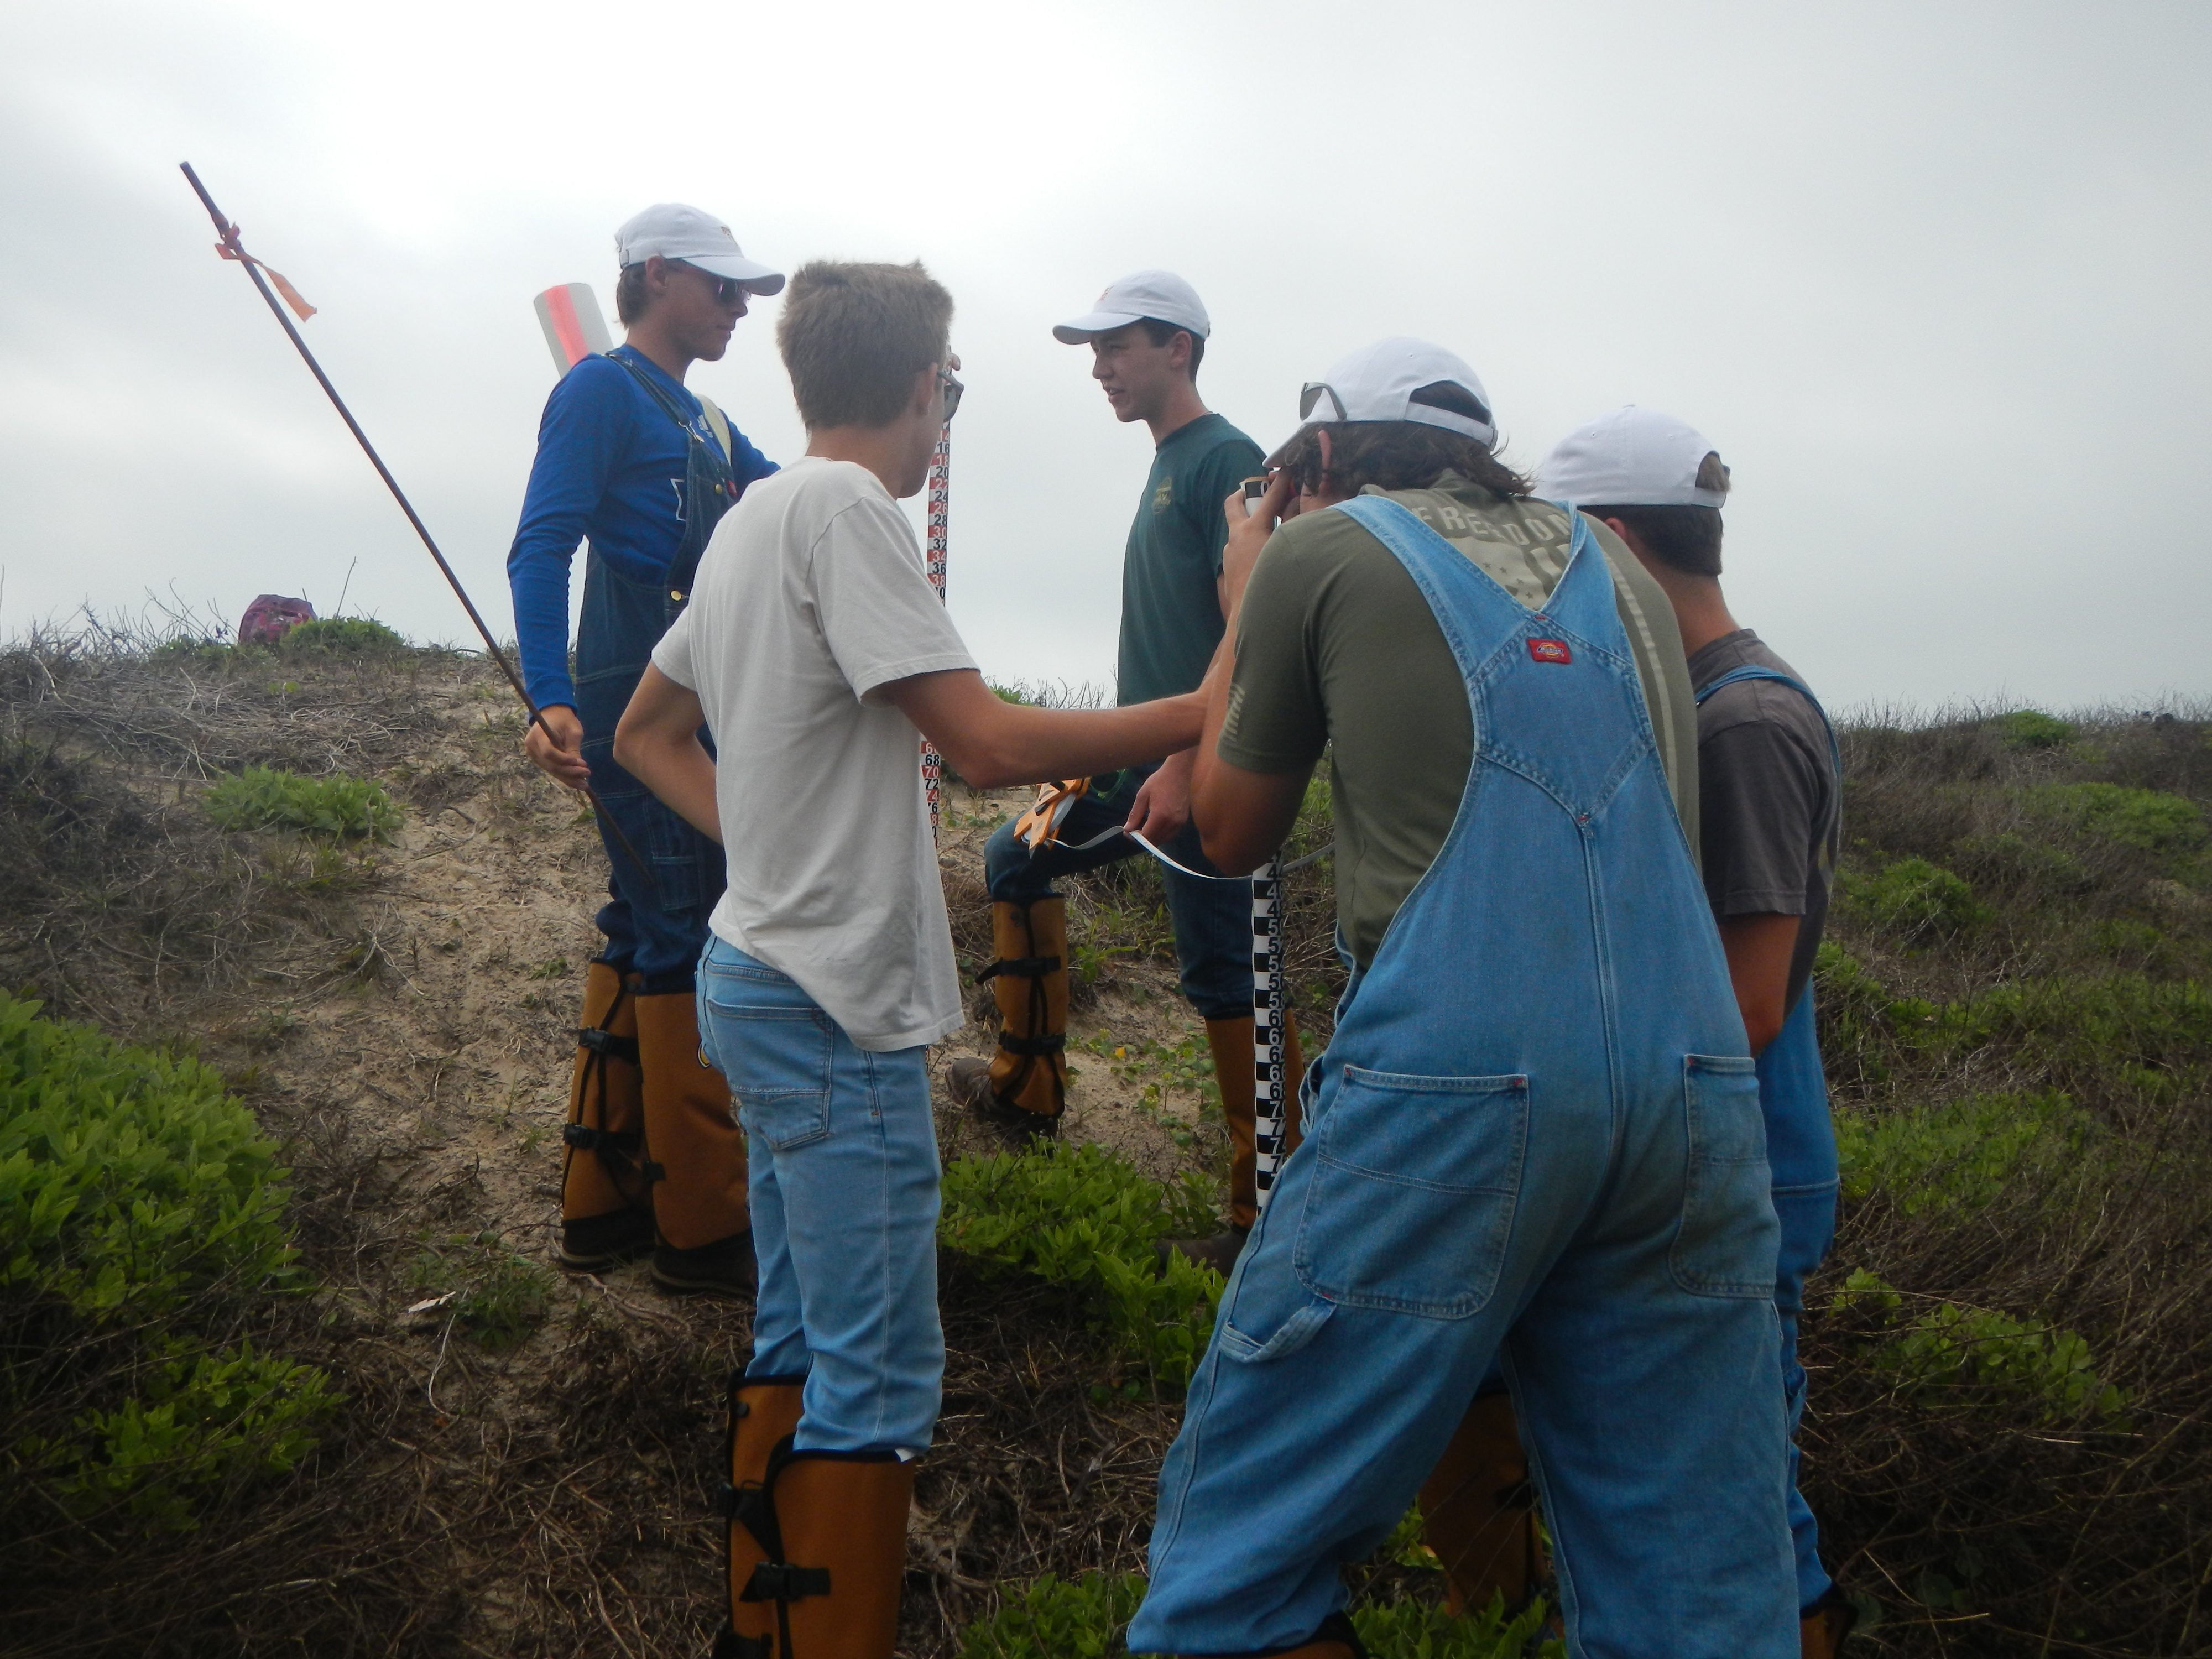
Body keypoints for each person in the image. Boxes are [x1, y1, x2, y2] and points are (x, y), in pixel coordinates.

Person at [1128, 340, 1796, 1659]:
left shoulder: (1318, 553)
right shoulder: (1622, 577)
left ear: (1315, 460)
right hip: (1690, 1097)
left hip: (1458, 1087)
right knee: (1695, 1597)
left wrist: (1245, 588)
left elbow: (1228, 829)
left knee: (1234, 1573)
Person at [610, 260, 1207, 1659]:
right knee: (875, 1377)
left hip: (754, 969)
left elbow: (646, 730)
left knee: (797, 1332)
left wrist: (758, 841)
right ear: (925, 383)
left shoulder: (759, 514)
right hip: (828, 998)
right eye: (952, 384)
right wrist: (1191, 712)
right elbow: (985, 744)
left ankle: (767, 1627)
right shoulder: (846, 514)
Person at [1537, 406, 1852, 1656]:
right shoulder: (1692, 701)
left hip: (1749, 1163)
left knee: (1744, 1511)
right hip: (1724, 1154)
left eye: (1560, 545)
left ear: (1611, 540)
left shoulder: (1744, 725)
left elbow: (1750, 996)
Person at [947, 270, 1288, 1273]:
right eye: (1094, 352)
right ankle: (1027, 1088)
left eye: (1117, 347)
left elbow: (1252, 630)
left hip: (1210, 773)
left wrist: (1185, 761)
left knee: (1231, 972)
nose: (1099, 369)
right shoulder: (1169, 461)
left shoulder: (1230, 459)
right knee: (1014, 856)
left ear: (1178, 347)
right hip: (1125, 767)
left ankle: (1259, 1212)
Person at [507, 204, 782, 1298]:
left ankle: (602, 1204)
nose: (737, 309)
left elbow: (797, 499)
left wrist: (905, 420)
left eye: (747, 296)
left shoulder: (710, 422)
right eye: (722, 289)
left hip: (697, 684)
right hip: (632, 689)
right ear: (657, 277)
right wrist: (549, 695)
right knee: (684, 923)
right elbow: (544, 542)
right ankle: (703, 1233)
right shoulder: (595, 390)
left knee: (640, 917)